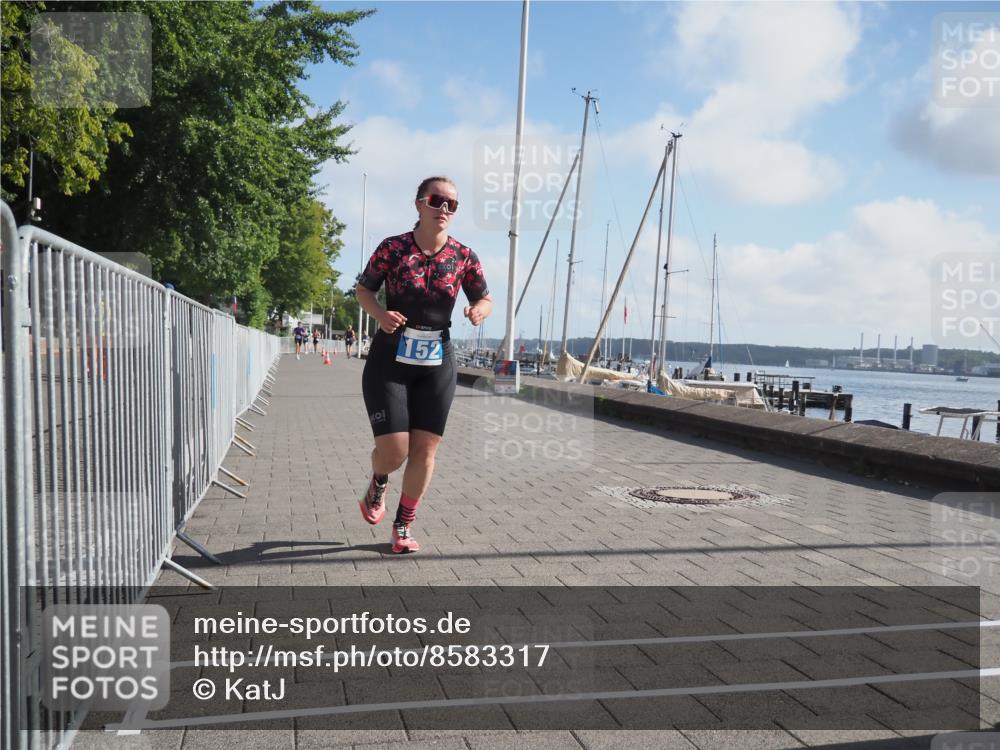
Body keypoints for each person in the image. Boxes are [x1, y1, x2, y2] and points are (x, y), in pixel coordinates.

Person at [355, 176, 492, 553]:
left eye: (452, 204)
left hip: (437, 361)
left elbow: (485, 298)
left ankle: (403, 526)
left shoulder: (463, 256)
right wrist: (380, 315)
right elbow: (363, 289)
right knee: (395, 450)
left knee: (425, 450)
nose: (445, 209)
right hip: (390, 357)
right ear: (419, 204)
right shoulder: (393, 249)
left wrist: (478, 310)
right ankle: (378, 480)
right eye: (437, 201)